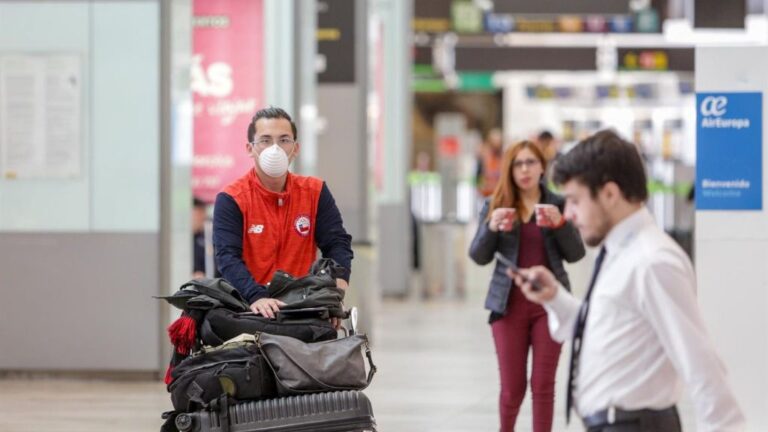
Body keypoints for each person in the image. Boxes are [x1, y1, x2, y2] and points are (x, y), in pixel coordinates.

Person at [511, 130, 745, 431]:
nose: (568, 214)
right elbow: (606, 330)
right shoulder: (620, 252)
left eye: (575, 200)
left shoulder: (653, 262)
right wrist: (554, 297)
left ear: (610, 194)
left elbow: (703, 369)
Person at [469, 140, 585, 432]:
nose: (524, 170)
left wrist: (561, 225)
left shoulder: (557, 204)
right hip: (508, 306)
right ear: (510, 169)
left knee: (543, 385)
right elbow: (478, 256)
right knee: (513, 389)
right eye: (518, 163)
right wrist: (490, 227)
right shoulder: (495, 205)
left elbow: (576, 253)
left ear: (542, 166)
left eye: (530, 162)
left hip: (550, 305)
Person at [213, 107, 353, 326]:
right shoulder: (232, 198)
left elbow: (337, 244)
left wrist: (334, 295)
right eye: (265, 140)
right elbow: (227, 257)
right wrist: (257, 297)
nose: (275, 148)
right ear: (250, 148)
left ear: (295, 148)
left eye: (284, 140)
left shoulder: (315, 192)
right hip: (248, 307)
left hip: (301, 307)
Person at [476, 128, 504, 197]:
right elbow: (478, 175)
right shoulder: (483, 157)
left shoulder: (504, 157)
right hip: (485, 194)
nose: (496, 145)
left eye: (498, 142)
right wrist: (480, 188)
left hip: (500, 194)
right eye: (494, 141)